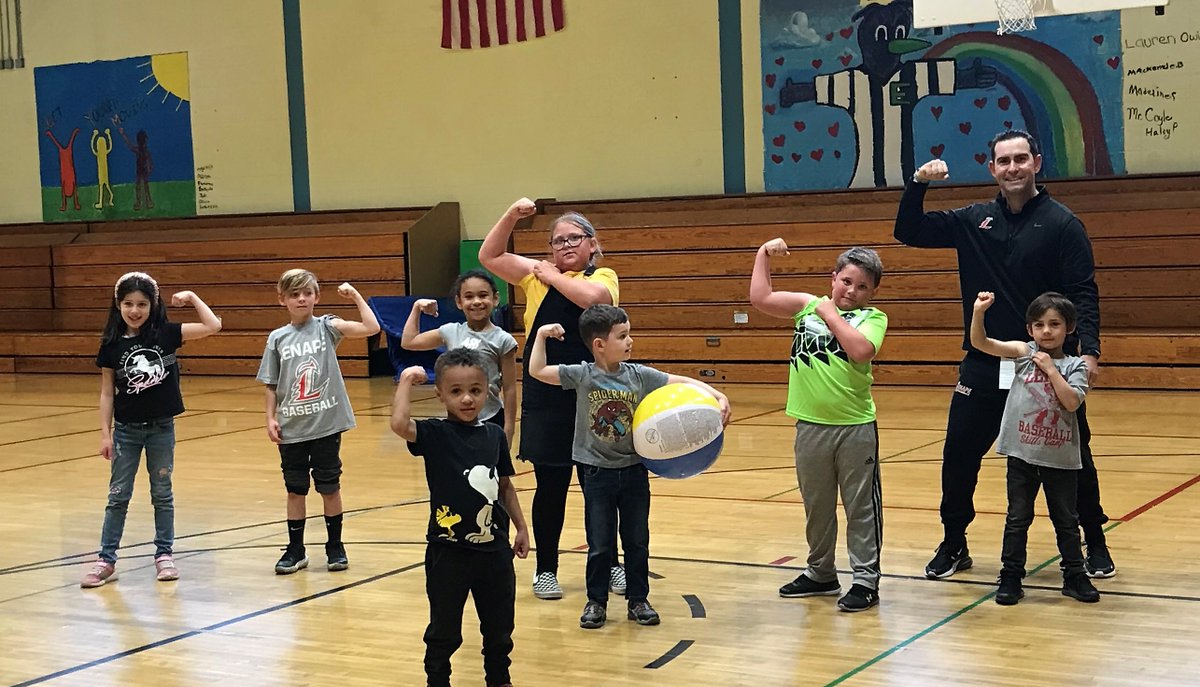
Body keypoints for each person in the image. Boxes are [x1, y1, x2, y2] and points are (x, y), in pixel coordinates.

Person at [894, 129, 1115, 580]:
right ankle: (954, 542)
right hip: (985, 360)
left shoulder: (1063, 224)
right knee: (958, 453)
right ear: (992, 168)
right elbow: (908, 229)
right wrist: (919, 182)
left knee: (1074, 457)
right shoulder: (973, 219)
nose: (1013, 168)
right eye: (1003, 161)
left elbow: (1083, 293)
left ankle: (1094, 541)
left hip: (1044, 366)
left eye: (1021, 159)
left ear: (1036, 162)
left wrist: (1088, 352)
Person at [528, 304, 731, 629]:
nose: (630, 341)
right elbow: (537, 370)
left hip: (634, 472)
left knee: (637, 540)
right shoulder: (582, 374)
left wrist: (717, 394)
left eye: (629, 334)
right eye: (622, 336)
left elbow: (681, 381)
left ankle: (639, 600)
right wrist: (539, 335)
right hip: (597, 474)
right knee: (600, 543)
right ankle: (596, 602)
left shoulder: (638, 375)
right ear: (599, 345)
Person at [479, 197, 624, 601]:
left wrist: (550, 274)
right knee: (551, 486)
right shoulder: (535, 275)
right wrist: (510, 214)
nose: (563, 246)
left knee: (600, 486)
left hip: (595, 391)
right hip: (546, 393)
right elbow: (488, 254)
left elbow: (594, 300)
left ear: (592, 244)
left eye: (573, 238)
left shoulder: (604, 275)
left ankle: (610, 563)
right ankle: (546, 570)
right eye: (556, 241)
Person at [750, 241, 889, 612]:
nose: (852, 291)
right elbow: (761, 298)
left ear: (872, 292)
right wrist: (763, 254)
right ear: (833, 278)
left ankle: (865, 579)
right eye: (846, 281)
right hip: (810, 426)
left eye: (862, 287)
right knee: (818, 505)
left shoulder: (873, 318)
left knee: (861, 507)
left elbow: (860, 351)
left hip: (854, 427)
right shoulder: (806, 306)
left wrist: (830, 315)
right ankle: (821, 572)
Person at [390, 349, 530, 687]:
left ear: (488, 391)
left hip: (494, 553)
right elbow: (398, 424)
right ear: (440, 394)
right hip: (447, 552)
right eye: (456, 391)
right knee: (444, 629)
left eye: (475, 390)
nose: (467, 398)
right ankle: (438, 680)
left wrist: (521, 526)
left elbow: (505, 485)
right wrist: (407, 381)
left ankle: (499, 678)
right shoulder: (435, 434)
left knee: (499, 627)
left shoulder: (495, 436)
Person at [82, 272, 222, 588]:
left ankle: (164, 554)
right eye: (128, 304)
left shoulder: (166, 334)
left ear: (152, 305)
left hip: (161, 429)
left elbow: (213, 326)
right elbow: (107, 392)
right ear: (118, 305)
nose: (135, 310)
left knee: (162, 493)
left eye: (142, 304)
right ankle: (106, 559)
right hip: (126, 432)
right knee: (118, 495)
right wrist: (105, 433)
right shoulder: (111, 345)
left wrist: (192, 297)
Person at [969, 291, 1100, 605]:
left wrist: (1052, 371)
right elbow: (981, 343)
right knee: (1017, 518)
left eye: (1054, 324)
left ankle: (1074, 575)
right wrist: (978, 313)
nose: (1046, 331)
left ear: (1068, 328)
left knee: (1066, 521)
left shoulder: (1075, 366)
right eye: (1039, 324)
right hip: (1022, 455)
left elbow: (1071, 402)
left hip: (1061, 460)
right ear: (1030, 330)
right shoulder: (1022, 352)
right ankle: (1011, 575)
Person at [256, 269, 380, 575]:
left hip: (325, 424)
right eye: (294, 294)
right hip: (292, 427)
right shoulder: (277, 338)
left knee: (329, 487)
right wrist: (270, 417)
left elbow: (371, 326)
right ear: (282, 299)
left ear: (316, 297)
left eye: (307, 293)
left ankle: (335, 546)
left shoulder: (327, 327)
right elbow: (271, 383)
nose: (301, 299)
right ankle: (296, 549)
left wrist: (354, 296)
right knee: (295, 490)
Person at [400, 269, 518, 445]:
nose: (477, 301)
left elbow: (509, 389)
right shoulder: (451, 331)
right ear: (459, 301)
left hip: (490, 418)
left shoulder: (503, 340)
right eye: (469, 297)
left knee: (492, 471)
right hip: (456, 419)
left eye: (483, 295)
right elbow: (409, 342)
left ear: (495, 298)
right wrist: (416, 308)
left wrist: (509, 429)